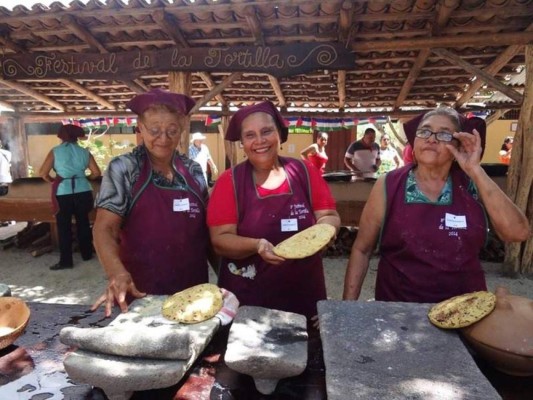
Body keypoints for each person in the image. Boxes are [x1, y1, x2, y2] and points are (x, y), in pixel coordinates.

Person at [343, 106, 530, 303]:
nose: (431, 138)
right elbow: (362, 250)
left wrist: (475, 170)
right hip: (398, 312)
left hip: (464, 311)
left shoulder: (472, 184)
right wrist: (347, 307)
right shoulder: (389, 184)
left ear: (458, 146)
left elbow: (517, 233)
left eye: (444, 134)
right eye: (424, 131)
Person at [207, 101, 341, 321]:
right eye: (250, 135)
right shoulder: (229, 181)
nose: (259, 141)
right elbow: (220, 240)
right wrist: (256, 245)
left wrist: (324, 231)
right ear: (242, 142)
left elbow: (330, 216)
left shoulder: (303, 171)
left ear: (280, 134)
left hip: (303, 295)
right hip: (247, 301)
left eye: (266, 131)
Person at [91, 89, 212, 317]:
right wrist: (116, 273)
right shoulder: (124, 169)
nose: (163, 138)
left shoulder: (194, 171)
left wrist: (228, 278)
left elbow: (209, 232)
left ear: (183, 129)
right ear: (141, 128)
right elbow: (104, 228)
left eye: (172, 130)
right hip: (140, 293)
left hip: (192, 293)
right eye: (155, 130)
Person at [38, 125, 101, 270]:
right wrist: (84, 178)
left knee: (64, 227)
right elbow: (96, 172)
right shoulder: (84, 152)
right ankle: (86, 255)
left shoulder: (55, 151)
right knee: (83, 223)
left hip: (63, 192)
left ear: (61, 136)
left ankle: (66, 261)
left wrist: (54, 181)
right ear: (76, 136)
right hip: (83, 190)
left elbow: (43, 173)